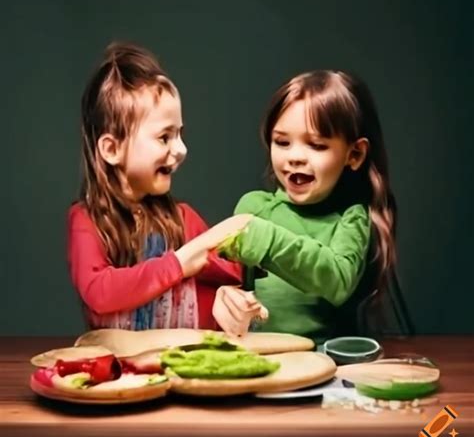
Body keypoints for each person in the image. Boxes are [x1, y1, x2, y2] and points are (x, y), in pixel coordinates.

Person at [68, 41, 263, 333]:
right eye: (164, 137)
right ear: (111, 149)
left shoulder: (183, 218)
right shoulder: (86, 220)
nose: (181, 149)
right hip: (122, 372)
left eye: (180, 134)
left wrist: (229, 296)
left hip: (188, 364)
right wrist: (179, 263)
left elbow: (228, 273)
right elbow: (99, 292)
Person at [215, 70, 397, 343]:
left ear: (354, 154)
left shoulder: (351, 218)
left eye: (316, 145)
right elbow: (220, 276)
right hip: (255, 358)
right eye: (282, 142)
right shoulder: (253, 207)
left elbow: (337, 279)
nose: (295, 157)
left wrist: (266, 239)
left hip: (324, 365)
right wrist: (224, 296)